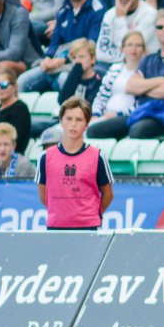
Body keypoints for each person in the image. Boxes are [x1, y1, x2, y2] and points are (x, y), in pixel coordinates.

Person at [93, 10, 164, 140]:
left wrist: (144, 89)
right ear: (155, 31)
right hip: (142, 111)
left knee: (137, 131)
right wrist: (162, 81)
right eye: (160, 27)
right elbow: (130, 86)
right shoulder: (149, 59)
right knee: (95, 130)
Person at [18, 0, 104, 94]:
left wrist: (64, 59)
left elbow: (92, 44)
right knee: (22, 82)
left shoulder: (97, 10)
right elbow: (55, 43)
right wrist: (47, 58)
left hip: (79, 64)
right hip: (57, 63)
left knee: (65, 80)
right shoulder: (63, 12)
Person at [37, 97, 115, 230]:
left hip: (88, 226)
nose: (73, 124)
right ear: (61, 121)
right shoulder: (45, 157)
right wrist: (62, 214)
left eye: (79, 120)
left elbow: (108, 194)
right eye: (69, 119)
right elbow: (44, 195)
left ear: (86, 124)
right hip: (56, 225)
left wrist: (92, 215)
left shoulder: (97, 156)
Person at [96, 0, 158, 66]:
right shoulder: (109, 14)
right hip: (114, 65)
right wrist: (123, 56)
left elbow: (132, 49)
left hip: (143, 67)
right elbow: (100, 53)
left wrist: (120, 18)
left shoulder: (150, 14)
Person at [0, 69, 32, 163]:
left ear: (14, 86)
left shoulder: (20, 109)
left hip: (11, 160)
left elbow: (16, 144)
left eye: (3, 84)